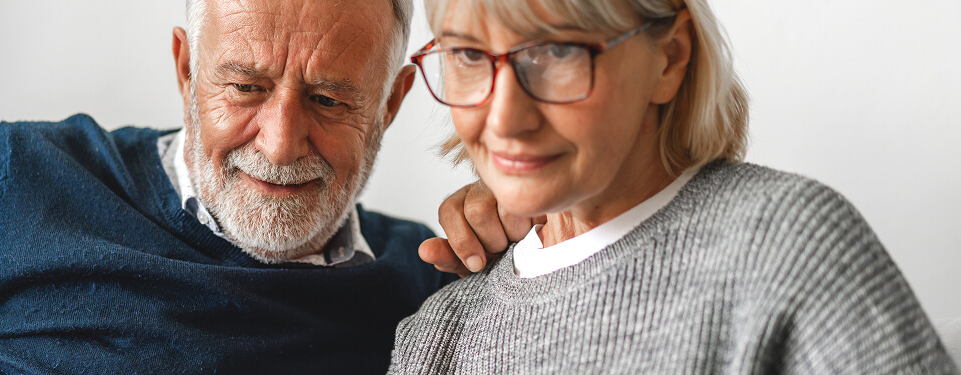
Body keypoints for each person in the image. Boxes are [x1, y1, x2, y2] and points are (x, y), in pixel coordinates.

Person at [0, 0, 475, 373]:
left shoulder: (426, 281)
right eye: (245, 88)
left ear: (390, 104)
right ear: (186, 69)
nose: (279, 142)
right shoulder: (21, 182)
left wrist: (526, 239)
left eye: (328, 100)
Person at [390, 0, 960, 373]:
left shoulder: (790, 247)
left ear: (670, 57)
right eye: (467, 54)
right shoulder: (438, 333)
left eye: (557, 50)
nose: (505, 118)